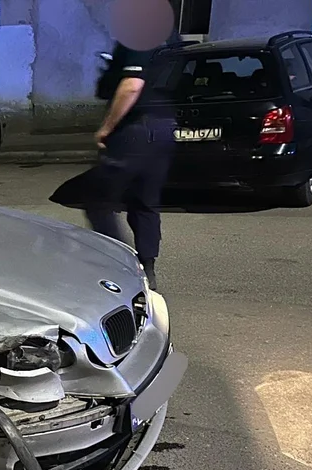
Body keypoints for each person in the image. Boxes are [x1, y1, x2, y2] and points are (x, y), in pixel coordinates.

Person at [84, 31, 180, 290]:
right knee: (146, 201)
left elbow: (132, 85)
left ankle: (121, 267)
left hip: (135, 130)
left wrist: (106, 127)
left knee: (97, 201)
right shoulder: (172, 38)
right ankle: (147, 270)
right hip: (164, 126)